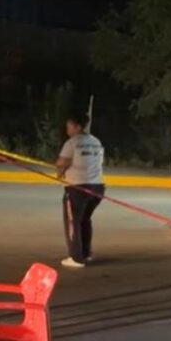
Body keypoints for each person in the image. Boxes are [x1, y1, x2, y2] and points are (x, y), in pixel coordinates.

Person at [56, 113, 105, 268]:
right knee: (85, 220)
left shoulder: (72, 143)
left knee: (73, 222)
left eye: (69, 127)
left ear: (77, 127)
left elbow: (61, 163)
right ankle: (86, 253)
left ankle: (76, 258)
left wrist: (59, 171)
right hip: (97, 187)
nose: (67, 131)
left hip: (77, 188)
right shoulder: (96, 141)